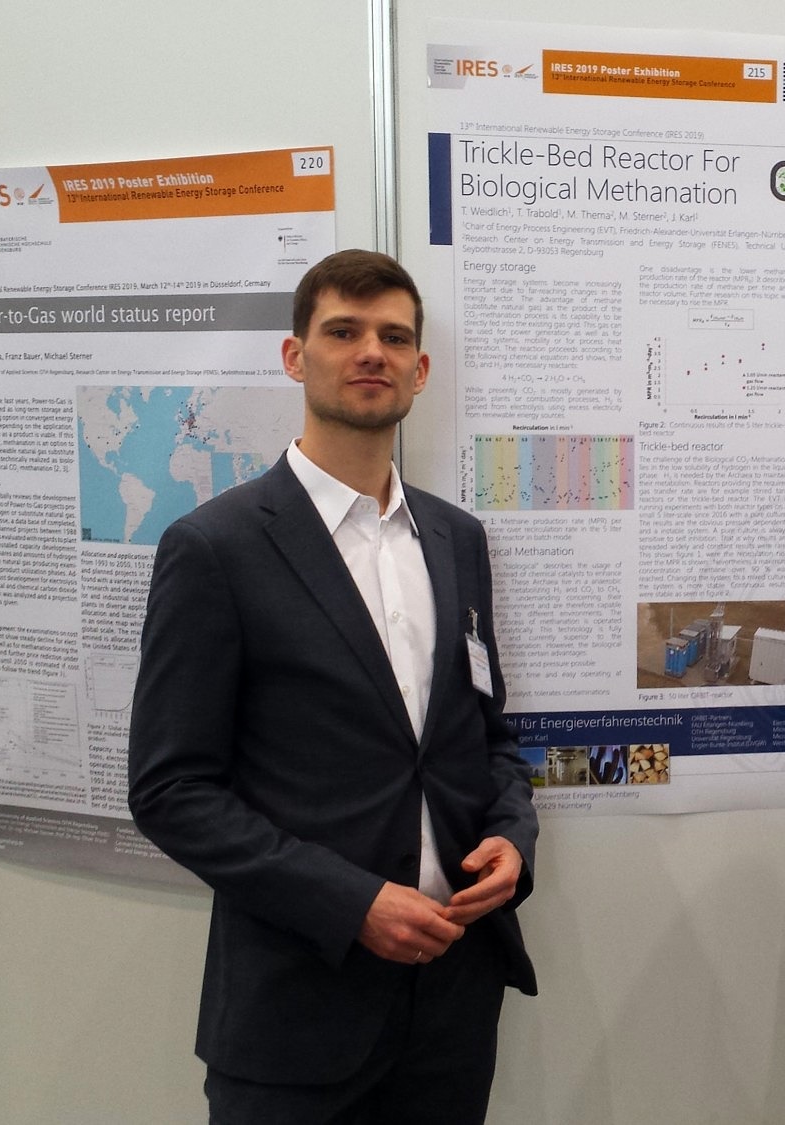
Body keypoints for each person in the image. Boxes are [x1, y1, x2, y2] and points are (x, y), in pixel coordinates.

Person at [129, 249, 537, 1124]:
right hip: (296, 1013)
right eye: (344, 331)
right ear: (295, 356)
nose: (371, 352)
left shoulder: (458, 539)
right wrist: (350, 903)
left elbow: (488, 737)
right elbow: (171, 789)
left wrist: (512, 836)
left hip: (452, 1007)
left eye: (394, 337)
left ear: (420, 370)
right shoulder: (216, 547)